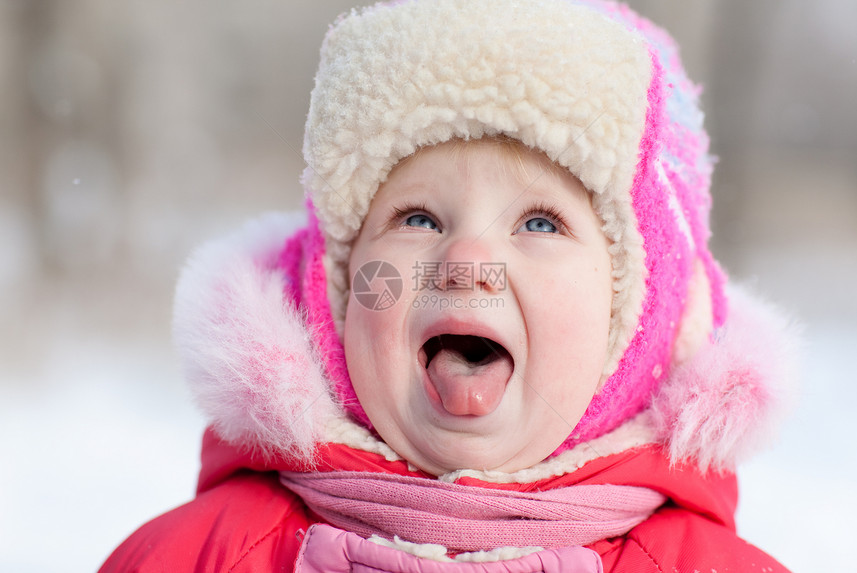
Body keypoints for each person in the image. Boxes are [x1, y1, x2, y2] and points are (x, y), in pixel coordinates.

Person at [101, 1, 798, 571]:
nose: (465, 258)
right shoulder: (192, 557)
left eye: (539, 221)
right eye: (418, 216)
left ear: (640, 314)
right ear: (335, 290)